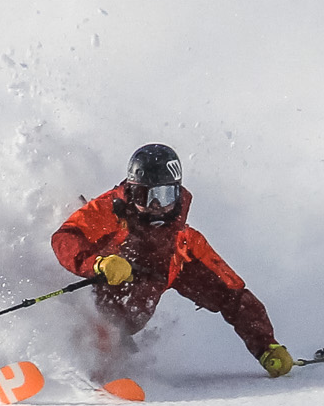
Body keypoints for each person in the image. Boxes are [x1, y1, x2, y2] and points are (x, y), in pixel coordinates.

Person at [52, 143, 296, 378]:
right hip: (83, 304)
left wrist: (266, 347)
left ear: (178, 193)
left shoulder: (182, 247)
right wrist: (99, 263)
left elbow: (233, 296)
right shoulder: (113, 212)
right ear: (130, 190)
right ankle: (69, 367)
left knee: (121, 327)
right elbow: (65, 238)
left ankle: (113, 362)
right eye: (144, 195)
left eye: (164, 195)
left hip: (123, 324)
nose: (155, 206)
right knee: (96, 322)